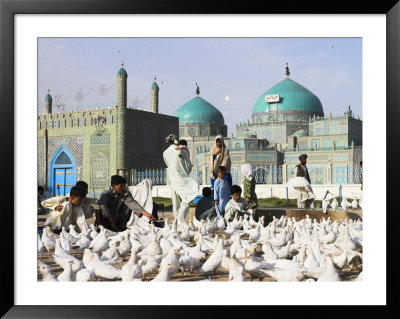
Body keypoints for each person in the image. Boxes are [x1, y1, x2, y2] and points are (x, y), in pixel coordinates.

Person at [163, 134, 198, 220]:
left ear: (168, 142)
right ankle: (180, 219)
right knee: (186, 198)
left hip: (173, 179)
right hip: (183, 179)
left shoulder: (165, 153)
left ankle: (176, 221)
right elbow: (189, 166)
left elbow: (169, 165)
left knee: (176, 202)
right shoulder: (182, 150)